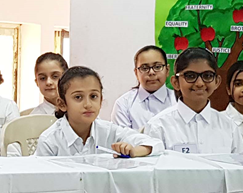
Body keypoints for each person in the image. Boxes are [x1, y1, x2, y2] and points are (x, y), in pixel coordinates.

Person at [35, 66, 163, 157]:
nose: (88, 104)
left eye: (93, 96)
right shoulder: (49, 141)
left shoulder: (109, 131)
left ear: (101, 100)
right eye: (78, 97)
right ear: (62, 104)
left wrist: (133, 151)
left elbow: (156, 144)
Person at [145, 48, 243, 154]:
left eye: (207, 76)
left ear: (217, 81)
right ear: (175, 82)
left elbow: (241, 163)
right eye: (190, 76)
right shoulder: (158, 126)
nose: (199, 83)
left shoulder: (229, 127)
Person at [112, 45, 175, 132]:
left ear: (167, 70)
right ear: (136, 73)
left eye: (157, 67)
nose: (151, 72)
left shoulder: (179, 100)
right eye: (144, 68)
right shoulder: (124, 104)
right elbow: (122, 138)